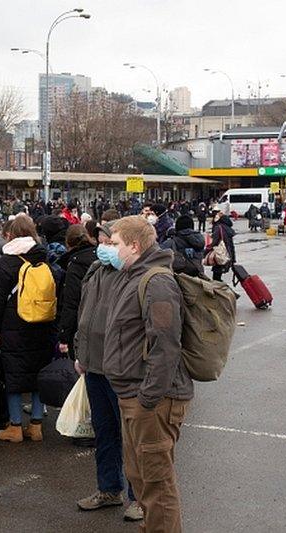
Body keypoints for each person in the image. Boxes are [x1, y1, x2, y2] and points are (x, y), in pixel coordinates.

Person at [104, 216, 192, 533]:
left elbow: (166, 344)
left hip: (153, 401)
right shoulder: (130, 276)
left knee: (157, 485)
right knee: (140, 479)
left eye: (115, 244)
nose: (109, 249)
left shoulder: (157, 282)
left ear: (135, 246)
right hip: (132, 395)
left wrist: (148, 397)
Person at [70, 221, 143, 521]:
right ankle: (109, 488)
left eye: (111, 242)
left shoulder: (134, 276)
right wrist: (80, 353)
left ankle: (139, 497)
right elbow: (84, 317)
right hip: (94, 367)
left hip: (122, 370)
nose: (104, 246)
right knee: (105, 433)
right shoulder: (95, 272)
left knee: (133, 437)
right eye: (102, 240)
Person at [0, 215, 54, 443]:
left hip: (13, 324)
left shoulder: (8, 261)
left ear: (11, 235)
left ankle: (15, 426)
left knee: (14, 376)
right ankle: (36, 426)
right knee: (38, 375)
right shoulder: (43, 259)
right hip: (42, 324)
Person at [57, 225, 96, 352]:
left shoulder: (74, 264)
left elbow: (71, 302)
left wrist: (64, 336)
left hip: (80, 325)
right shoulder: (98, 256)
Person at [208, 209, 236, 282]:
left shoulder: (219, 227)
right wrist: (233, 258)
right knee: (218, 275)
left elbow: (214, 242)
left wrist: (206, 251)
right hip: (226, 254)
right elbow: (231, 245)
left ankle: (218, 290)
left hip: (219, 253)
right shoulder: (227, 228)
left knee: (216, 277)